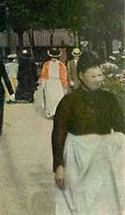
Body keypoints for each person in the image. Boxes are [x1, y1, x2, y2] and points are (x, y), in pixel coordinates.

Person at [52, 51, 125, 215]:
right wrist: (59, 166)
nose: (98, 80)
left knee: (104, 204)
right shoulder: (69, 102)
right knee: (79, 203)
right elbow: (58, 134)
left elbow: (121, 127)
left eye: (100, 75)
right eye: (93, 76)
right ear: (81, 76)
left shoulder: (109, 99)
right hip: (77, 160)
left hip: (103, 160)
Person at [40, 48, 68, 119]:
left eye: (55, 57)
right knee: (49, 97)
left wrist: (64, 85)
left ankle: (57, 113)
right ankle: (50, 113)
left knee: (58, 97)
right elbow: (43, 74)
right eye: (53, 57)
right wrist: (43, 83)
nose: (54, 59)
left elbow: (63, 76)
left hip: (58, 82)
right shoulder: (46, 64)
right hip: (49, 82)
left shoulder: (61, 65)